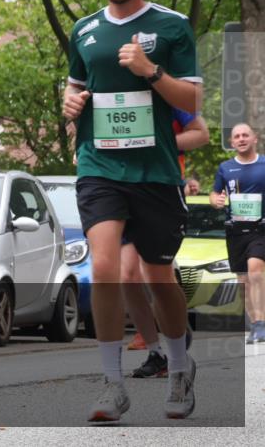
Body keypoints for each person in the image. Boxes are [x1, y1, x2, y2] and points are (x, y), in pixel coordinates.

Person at [63, 0, 201, 422]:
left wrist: (151, 71)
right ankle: (112, 383)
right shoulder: (84, 31)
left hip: (155, 171)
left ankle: (181, 367)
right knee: (104, 267)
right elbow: (75, 86)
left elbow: (191, 102)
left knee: (159, 276)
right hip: (99, 165)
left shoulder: (171, 26)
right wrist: (69, 104)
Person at [124, 109, 207, 377]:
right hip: (121, 188)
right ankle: (155, 353)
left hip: (161, 190)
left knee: (157, 277)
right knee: (127, 276)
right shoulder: (110, 91)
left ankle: (175, 338)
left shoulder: (167, 93)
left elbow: (200, 133)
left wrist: (156, 142)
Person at [210, 123, 265, 344]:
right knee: (243, 280)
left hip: (261, 229)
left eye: (245, 135)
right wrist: (217, 200)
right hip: (236, 230)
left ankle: (261, 323)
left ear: (255, 139)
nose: (241, 139)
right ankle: (255, 324)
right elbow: (214, 194)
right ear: (232, 143)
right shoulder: (225, 168)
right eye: (237, 136)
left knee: (255, 270)